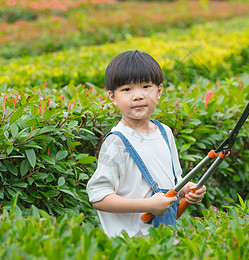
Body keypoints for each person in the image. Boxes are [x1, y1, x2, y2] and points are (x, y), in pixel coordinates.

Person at [86, 50, 206, 237]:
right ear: (112, 97)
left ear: (159, 91)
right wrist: (147, 205)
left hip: (165, 240)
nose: (138, 96)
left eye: (146, 86)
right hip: (131, 244)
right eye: (127, 89)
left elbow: (173, 183)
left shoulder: (164, 132)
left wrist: (187, 190)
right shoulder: (116, 142)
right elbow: (99, 197)